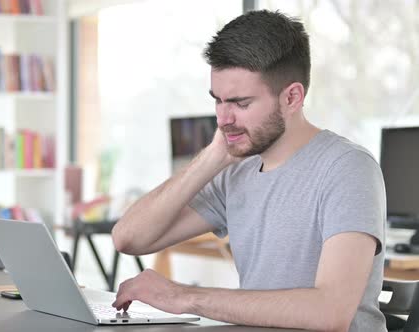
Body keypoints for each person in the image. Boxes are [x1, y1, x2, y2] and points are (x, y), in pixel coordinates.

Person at [110, 9, 386, 332]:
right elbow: (128, 238)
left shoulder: (347, 169)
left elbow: (330, 313)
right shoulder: (236, 171)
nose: (224, 119)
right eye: (218, 101)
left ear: (292, 97)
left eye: (241, 104)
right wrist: (213, 156)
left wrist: (184, 296)